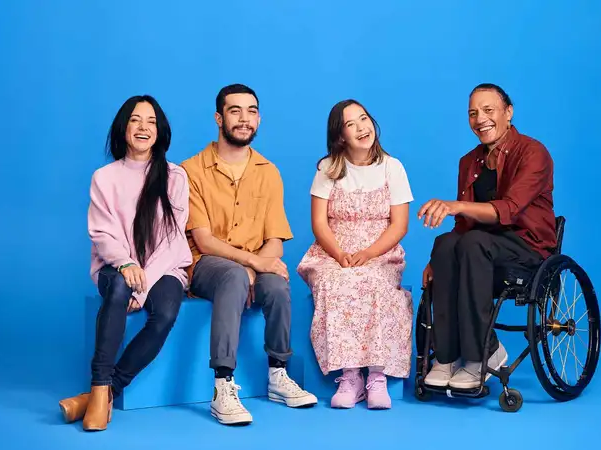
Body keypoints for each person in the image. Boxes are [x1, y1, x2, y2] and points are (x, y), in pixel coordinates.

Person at [180, 83, 317, 426]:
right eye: (235, 111)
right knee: (234, 275)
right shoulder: (190, 170)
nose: (244, 119)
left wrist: (259, 267)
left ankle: (278, 375)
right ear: (218, 118)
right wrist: (253, 265)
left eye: (252, 111)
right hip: (207, 264)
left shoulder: (268, 171)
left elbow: (275, 239)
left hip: (253, 263)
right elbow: (204, 239)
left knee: (278, 285)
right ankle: (222, 387)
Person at [57, 95, 192, 431]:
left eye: (150, 121)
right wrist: (126, 265)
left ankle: (105, 393)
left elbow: (173, 238)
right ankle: (100, 384)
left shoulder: (175, 176)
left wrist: (143, 282)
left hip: (163, 268)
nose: (143, 127)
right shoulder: (105, 177)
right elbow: (101, 233)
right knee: (118, 286)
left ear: (160, 131)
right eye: (135, 120)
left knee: (166, 314)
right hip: (114, 266)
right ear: (123, 127)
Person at [418, 83, 557, 390]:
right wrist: (436, 262)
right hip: (479, 250)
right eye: (472, 113)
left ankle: (483, 351)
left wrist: (456, 206)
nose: (480, 118)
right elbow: (462, 227)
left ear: (508, 113)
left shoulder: (534, 153)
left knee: (473, 243)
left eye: (488, 110)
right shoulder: (468, 162)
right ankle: (446, 356)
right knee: (446, 243)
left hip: (528, 247)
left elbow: (509, 209)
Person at [297, 99, 414, 410]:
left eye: (364, 119)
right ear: (340, 136)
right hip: (334, 249)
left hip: (380, 249)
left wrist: (369, 252)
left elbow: (399, 224)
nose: (362, 127)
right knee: (335, 282)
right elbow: (319, 222)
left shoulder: (393, 167)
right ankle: (350, 376)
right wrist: (339, 253)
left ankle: (376, 375)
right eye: (351, 124)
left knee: (375, 282)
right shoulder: (328, 168)